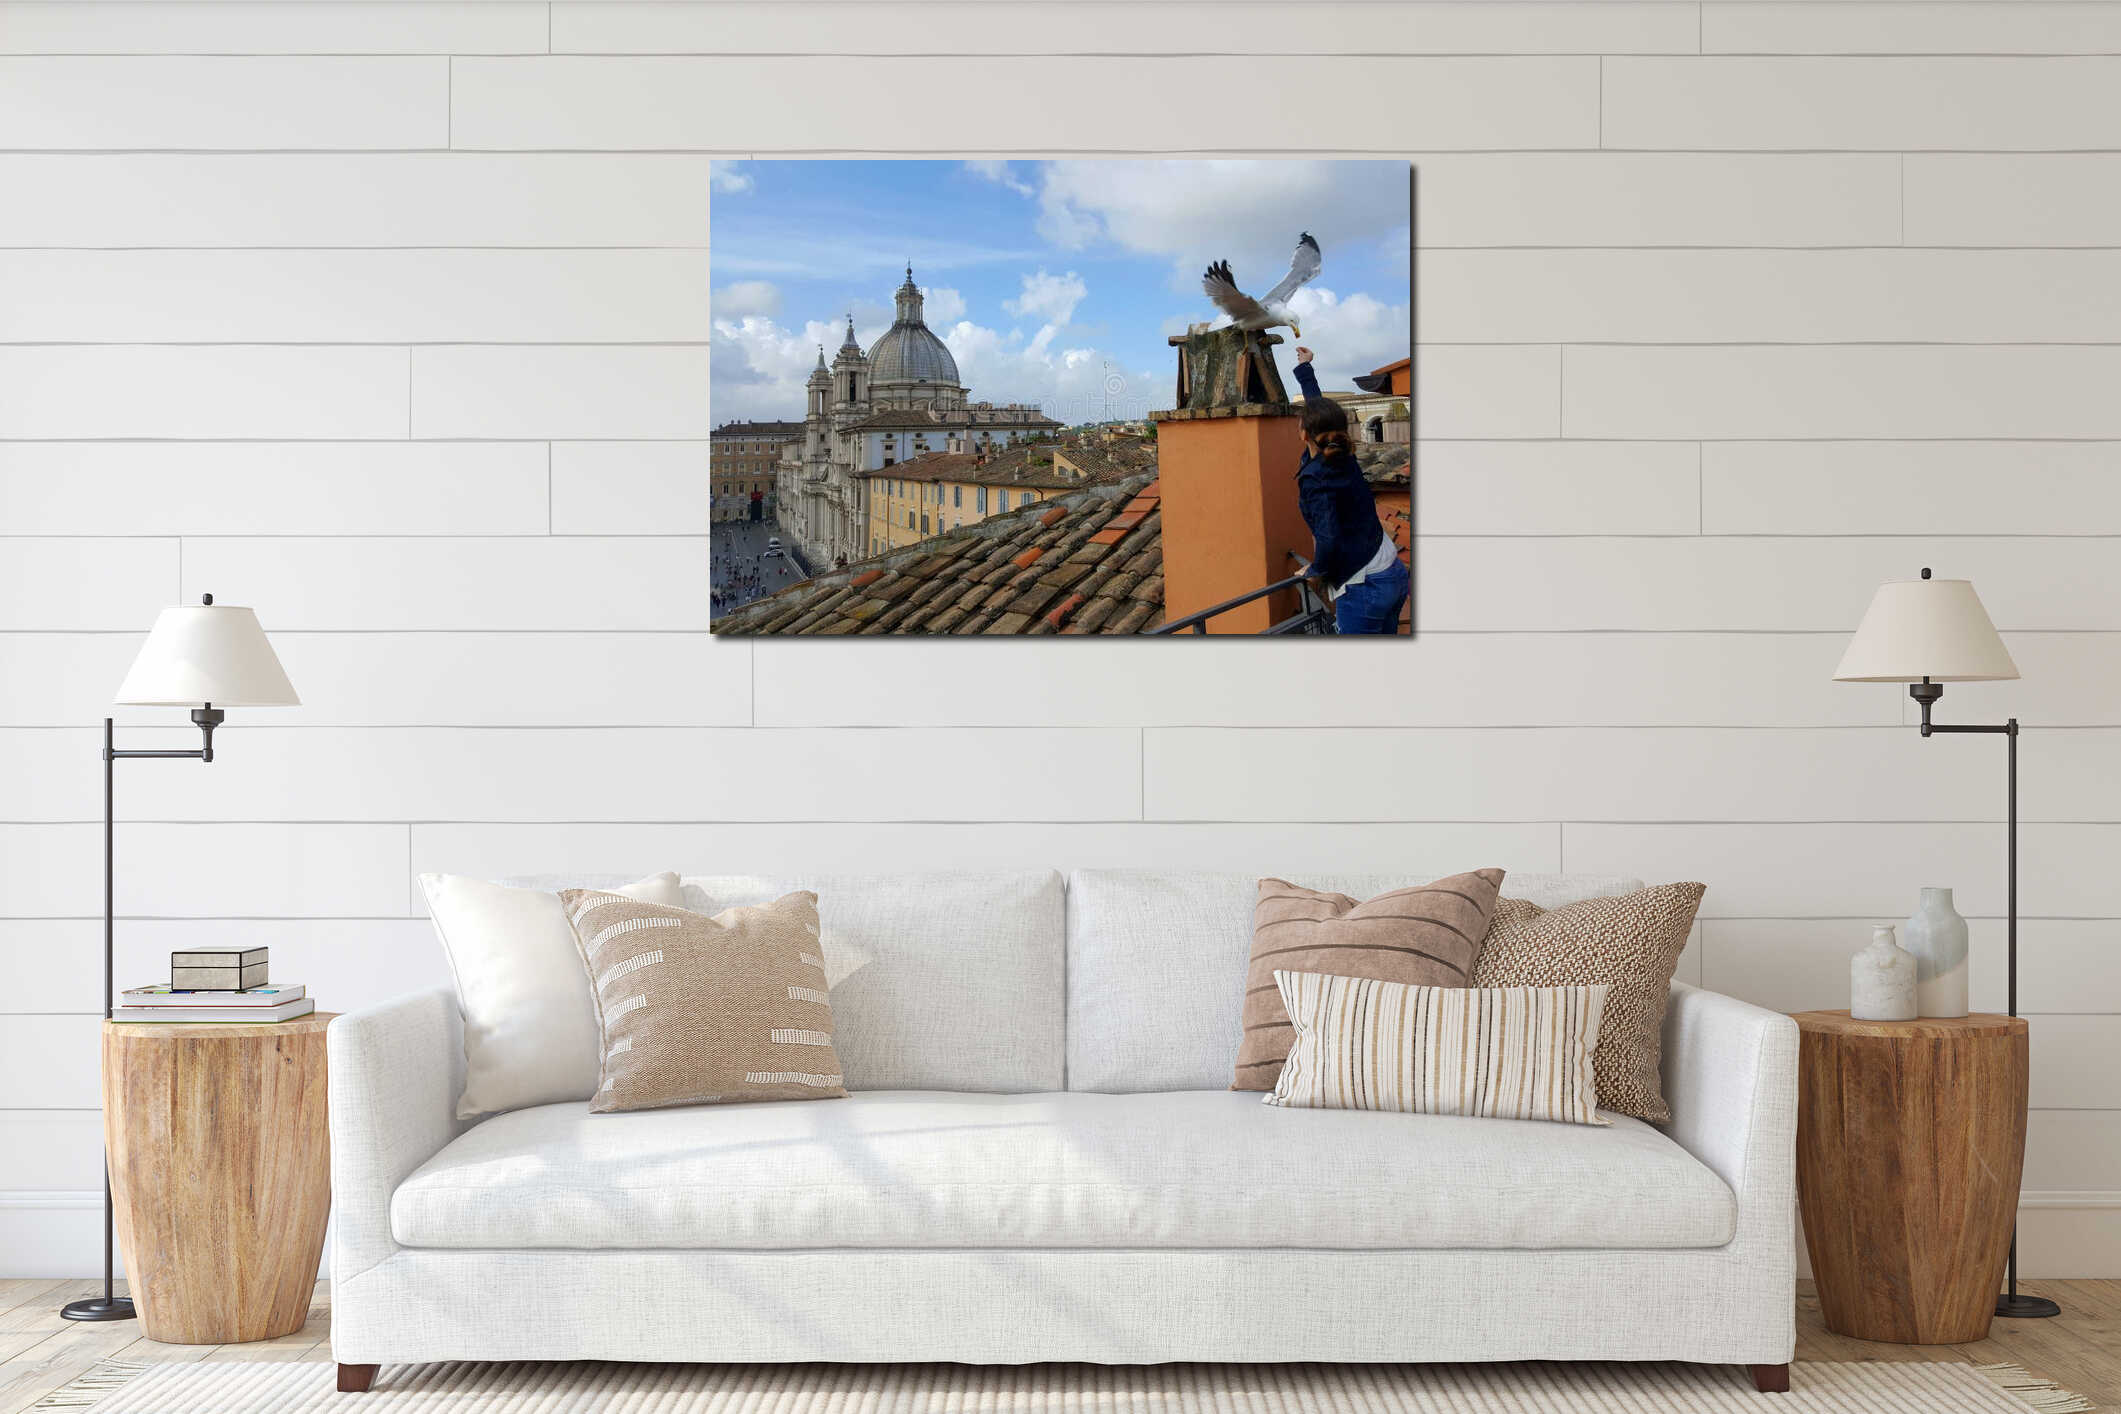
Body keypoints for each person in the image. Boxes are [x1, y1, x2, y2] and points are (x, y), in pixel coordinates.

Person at [1290, 346, 1408, 635]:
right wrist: (1305, 369)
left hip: (1364, 585)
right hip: (1391, 572)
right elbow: (1320, 411)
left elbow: (1328, 536)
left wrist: (1316, 571)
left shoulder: (1316, 478)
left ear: (1304, 434)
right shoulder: (1341, 453)